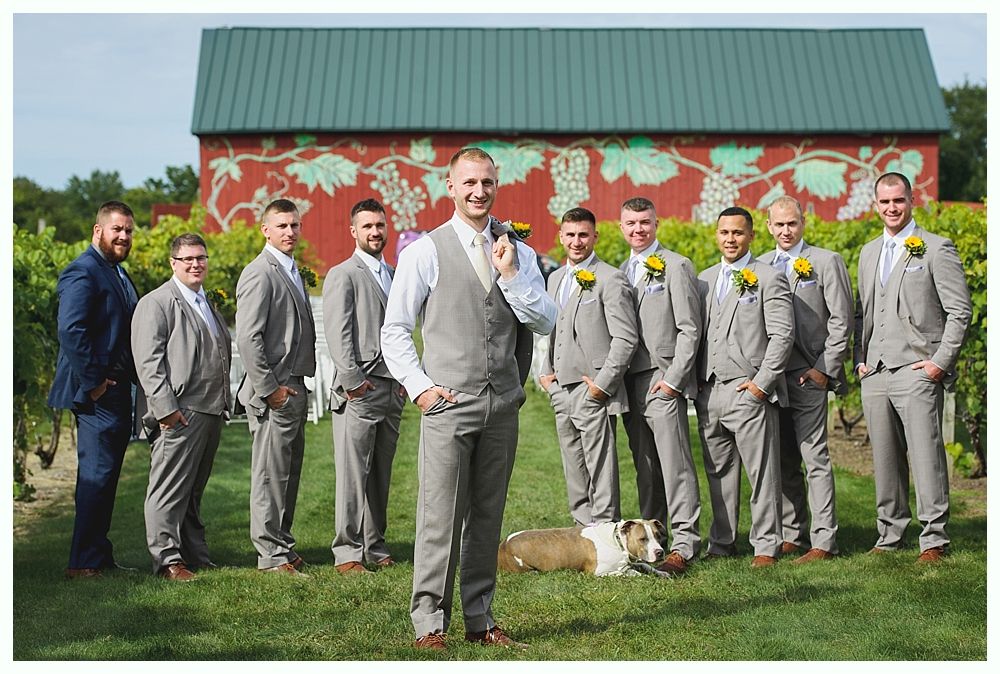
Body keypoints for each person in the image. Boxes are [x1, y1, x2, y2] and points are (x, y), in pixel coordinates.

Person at [382, 147, 556, 650]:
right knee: (439, 515)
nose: (479, 191)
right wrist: (420, 389)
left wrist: (510, 276)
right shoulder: (424, 251)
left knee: (487, 515)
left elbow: (545, 319)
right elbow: (394, 330)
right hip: (448, 404)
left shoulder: (517, 250)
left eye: (487, 182)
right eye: (469, 183)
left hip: (502, 405)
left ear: (496, 185)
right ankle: (428, 624)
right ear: (450, 187)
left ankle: (480, 619)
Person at [855, 172, 971, 563]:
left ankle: (934, 538)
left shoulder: (936, 249)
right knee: (884, 458)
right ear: (876, 205)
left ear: (911, 200)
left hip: (918, 369)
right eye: (885, 202)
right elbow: (862, 314)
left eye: (898, 201)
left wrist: (939, 363)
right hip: (875, 371)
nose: (892, 208)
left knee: (925, 455)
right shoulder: (869, 252)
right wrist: (860, 359)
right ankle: (890, 534)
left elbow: (959, 311)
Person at [695, 206, 794, 568]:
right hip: (711, 390)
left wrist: (761, 385)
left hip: (749, 390)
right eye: (724, 232)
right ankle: (722, 540)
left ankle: (767, 545)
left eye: (738, 233)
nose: (730, 239)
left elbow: (782, 335)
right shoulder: (704, 279)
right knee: (718, 471)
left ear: (752, 235)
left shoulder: (769, 277)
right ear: (717, 235)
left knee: (762, 472)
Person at [131, 234, 231, 581]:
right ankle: (167, 559)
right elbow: (148, 362)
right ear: (173, 263)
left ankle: (194, 553)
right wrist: (165, 410)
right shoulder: (156, 303)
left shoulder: (205, 302)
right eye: (187, 259)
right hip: (179, 412)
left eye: (200, 258)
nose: (195, 264)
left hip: (210, 410)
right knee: (168, 488)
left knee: (193, 490)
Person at [759, 196, 853, 563]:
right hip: (772, 377)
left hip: (808, 375)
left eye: (792, 224)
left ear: (804, 223)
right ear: (768, 226)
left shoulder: (826, 262)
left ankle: (824, 540)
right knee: (782, 460)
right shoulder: (759, 266)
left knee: (814, 457)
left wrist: (822, 369)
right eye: (779, 225)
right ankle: (791, 533)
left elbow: (841, 320)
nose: (786, 230)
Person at [49, 200, 139, 580]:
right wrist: (95, 383)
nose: (123, 236)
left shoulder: (117, 272)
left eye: (129, 231)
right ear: (97, 230)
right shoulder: (83, 271)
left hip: (115, 390)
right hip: (96, 394)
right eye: (117, 229)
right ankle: (82, 561)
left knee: (107, 476)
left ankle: (98, 554)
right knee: (96, 476)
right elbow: (72, 330)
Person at [617, 197, 703, 575]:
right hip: (629, 380)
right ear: (621, 227)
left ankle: (685, 542)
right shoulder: (621, 270)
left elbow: (689, 328)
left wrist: (673, 379)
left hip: (661, 377)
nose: (638, 229)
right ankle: (653, 540)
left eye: (645, 223)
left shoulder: (676, 266)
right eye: (631, 223)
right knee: (645, 466)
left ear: (657, 224)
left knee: (675, 463)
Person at [538, 207, 637, 526]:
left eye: (583, 234)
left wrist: (601, 385)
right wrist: (545, 375)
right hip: (559, 387)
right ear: (561, 237)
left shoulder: (611, 278)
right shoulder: (553, 278)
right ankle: (584, 530)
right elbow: (548, 327)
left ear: (595, 236)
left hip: (592, 389)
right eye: (570, 234)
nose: (577, 241)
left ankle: (606, 528)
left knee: (600, 465)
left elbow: (625, 337)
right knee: (573, 464)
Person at [323, 198, 405, 575]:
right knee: (354, 474)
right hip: (361, 389)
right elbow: (339, 334)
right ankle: (347, 552)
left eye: (380, 225)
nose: (375, 232)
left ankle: (375, 544)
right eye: (367, 226)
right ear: (353, 231)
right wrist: (354, 383)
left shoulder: (393, 273)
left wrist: (404, 379)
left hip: (391, 388)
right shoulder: (344, 273)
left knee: (381, 473)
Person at [235, 198, 316, 575]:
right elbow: (249, 338)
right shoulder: (259, 272)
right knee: (270, 475)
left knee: (289, 473)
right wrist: (270, 390)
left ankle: (282, 544)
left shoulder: (291, 269)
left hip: (294, 385)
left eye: (294, 225)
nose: (290, 232)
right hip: (274, 393)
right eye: (281, 225)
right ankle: (269, 555)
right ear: (265, 229)